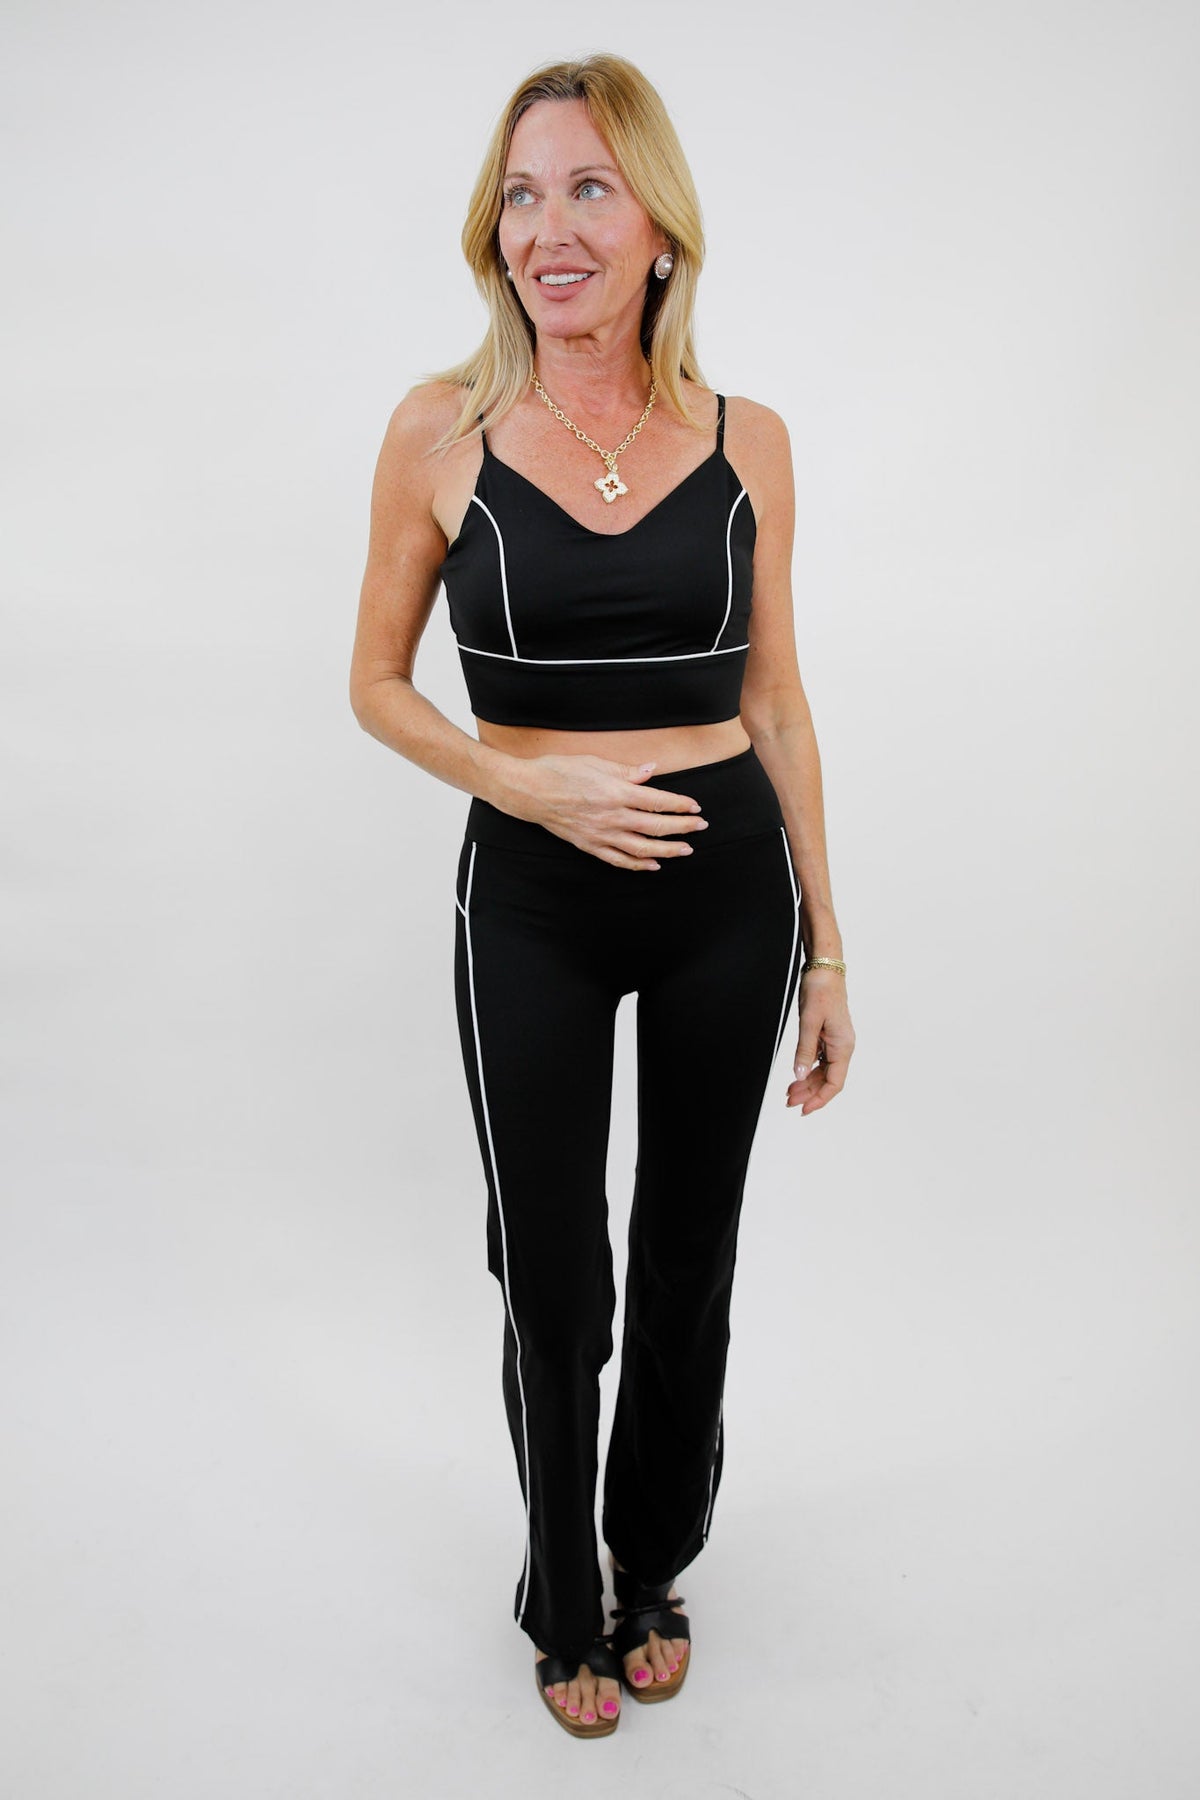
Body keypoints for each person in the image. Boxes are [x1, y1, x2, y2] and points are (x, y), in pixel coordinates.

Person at [348, 52, 855, 1739]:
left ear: (659, 226)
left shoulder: (749, 440)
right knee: (555, 1268)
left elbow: (778, 701)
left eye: (587, 189)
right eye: (520, 194)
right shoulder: (438, 431)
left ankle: (649, 1564)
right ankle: (558, 1589)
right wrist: (524, 782)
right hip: (531, 899)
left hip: (728, 893)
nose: (548, 228)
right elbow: (375, 684)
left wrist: (830, 950)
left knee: (691, 1251)